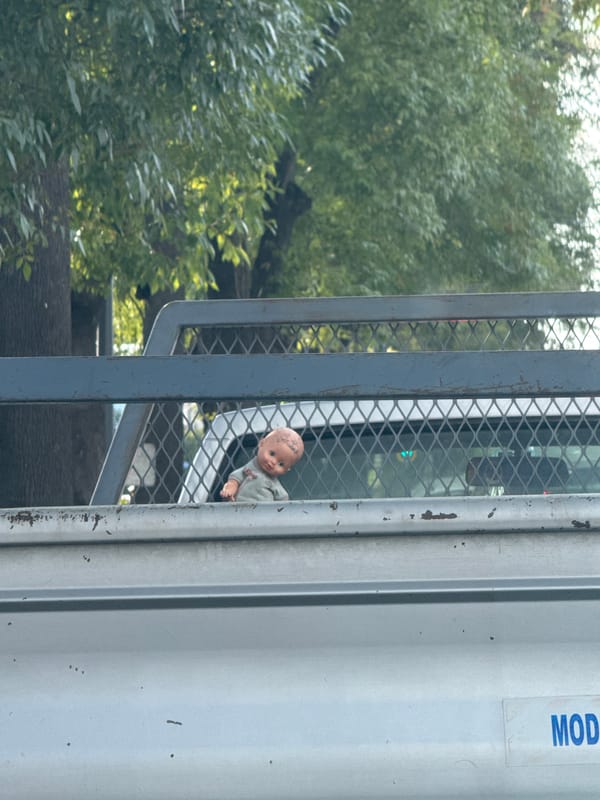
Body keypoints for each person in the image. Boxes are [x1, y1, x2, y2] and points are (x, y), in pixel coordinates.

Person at [220, 427, 304, 503]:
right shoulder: (248, 471)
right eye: (272, 454)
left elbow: (282, 502)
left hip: (263, 517)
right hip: (239, 511)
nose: (273, 462)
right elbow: (234, 480)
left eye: (281, 464)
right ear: (261, 443)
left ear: (287, 470)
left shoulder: (274, 486)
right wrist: (229, 491)